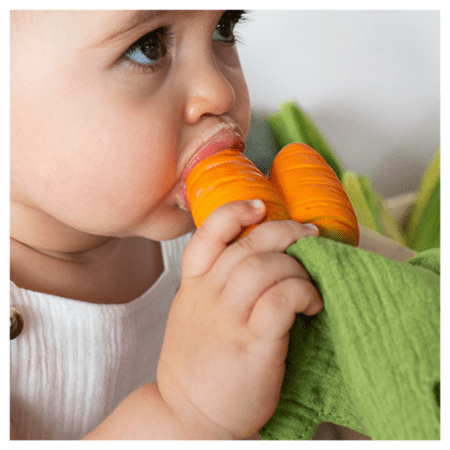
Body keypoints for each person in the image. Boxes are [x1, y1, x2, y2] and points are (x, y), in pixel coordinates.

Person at [10, 10, 323, 440]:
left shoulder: (223, 226)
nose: (220, 90)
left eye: (223, 28)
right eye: (147, 47)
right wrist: (188, 416)